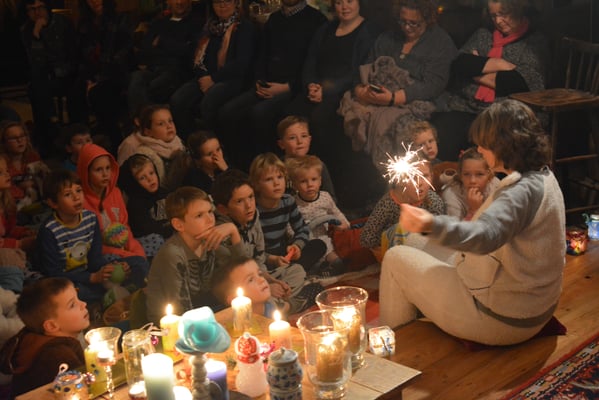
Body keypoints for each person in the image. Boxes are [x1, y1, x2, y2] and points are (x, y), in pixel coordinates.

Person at [380, 99, 565, 346]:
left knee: (395, 258)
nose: (479, 148)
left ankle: (391, 350)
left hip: (503, 318)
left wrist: (430, 225)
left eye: (484, 143)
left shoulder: (520, 193)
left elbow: (485, 235)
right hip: (534, 306)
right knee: (413, 241)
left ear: (503, 144)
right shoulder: (542, 175)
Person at [339, 0, 457, 171]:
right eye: (403, 21)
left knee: (390, 123)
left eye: (414, 23)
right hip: (378, 94)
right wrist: (361, 90)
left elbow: (433, 85)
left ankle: (393, 176)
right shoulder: (388, 37)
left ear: (426, 19)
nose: (407, 27)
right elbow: (366, 66)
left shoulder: (440, 42)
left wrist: (394, 98)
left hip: (416, 99)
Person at [432, 0, 549, 161]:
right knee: (442, 132)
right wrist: (500, 64)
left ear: (517, 10)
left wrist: (477, 70)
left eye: (503, 14)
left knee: (492, 138)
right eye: (494, 16)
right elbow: (460, 64)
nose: (498, 21)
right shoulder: (483, 34)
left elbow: (518, 82)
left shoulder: (534, 41)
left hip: (503, 111)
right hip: (467, 106)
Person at [216, 0, 327, 168]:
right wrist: (259, 81)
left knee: (259, 113)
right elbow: (262, 54)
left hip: (293, 87)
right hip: (266, 84)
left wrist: (287, 87)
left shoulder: (316, 20)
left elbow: (313, 64)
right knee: (228, 112)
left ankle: (268, 168)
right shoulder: (274, 19)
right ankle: (239, 167)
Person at [285, 0, 378, 162]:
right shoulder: (326, 28)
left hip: (344, 91)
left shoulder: (368, 32)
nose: (344, 7)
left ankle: (320, 168)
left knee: (318, 118)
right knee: (290, 113)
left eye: (349, 1)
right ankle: (295, 167)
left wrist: (326, 90)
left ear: (359, 3)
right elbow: (311, 60)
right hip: (316, 88)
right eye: (339, 3)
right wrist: (310, 84)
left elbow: (358, 72)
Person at [35, 169, 144, 304]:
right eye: (68, 194)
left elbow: (95, 259)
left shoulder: (90, 218)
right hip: (70, 280)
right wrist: (91, 278)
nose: (76, 197)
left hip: (90, 272)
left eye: (78, 191)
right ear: (53, 203)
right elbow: (53, 274)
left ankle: (119, 292)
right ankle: (112, 295)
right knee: (72, 293)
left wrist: (112, 268)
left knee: (139, 262)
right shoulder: (49, 230)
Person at [145, 186, 244, 324]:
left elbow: (243, 272)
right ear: (178, 225)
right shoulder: (172, 254)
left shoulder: (208, 242)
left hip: (205, 313)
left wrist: (234, 232)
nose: (210, 220)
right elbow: (180, 309)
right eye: (199, 215)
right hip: (171, 326)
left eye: (210, 212)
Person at [212, 169, 302, 311]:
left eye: (251, 197)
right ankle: (283, 306)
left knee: (297, 271)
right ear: (223, 209)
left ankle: (277, 301)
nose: (249, 205)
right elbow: (240, 270)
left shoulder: (253, 217)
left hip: (258, 277)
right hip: (240, 288)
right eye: (239, 201)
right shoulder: (219, 233)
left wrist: (270, 281)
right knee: (253, 298)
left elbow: (259, 259)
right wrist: (266, 287)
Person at [169, 0, 255, 138]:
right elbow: (197, 57)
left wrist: (213, 79)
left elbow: (241, 63)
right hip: (206, 77)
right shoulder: (209, 27)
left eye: (227, 1)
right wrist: (204, 76)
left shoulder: (244, 27)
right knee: (178, 99)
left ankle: (213, 144)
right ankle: (190, 141)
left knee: (209, 101)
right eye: (217, 2)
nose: (222, 5)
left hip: (231, 79)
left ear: (236, 3)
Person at [0, 277, 89, 398]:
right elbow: (81, 392)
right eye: (72, 305)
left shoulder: (34, 335)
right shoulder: (58, 357)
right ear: (52, 326)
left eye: (78, 298)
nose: (84, 304)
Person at [77, 143, 150, 286]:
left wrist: (136, 251)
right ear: (86, 172)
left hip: (123, 247)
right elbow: (92, 245)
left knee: (157, 242)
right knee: (134, 265)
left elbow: (124, 227)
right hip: (102, 254)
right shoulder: (82, 202)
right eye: (98, 170)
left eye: (108, 168)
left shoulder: (115, 193)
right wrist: (129, 255)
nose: (105, 174)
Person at [249, 153, 327, 280]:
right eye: (269, 179)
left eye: (280, 177)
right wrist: (272, 259)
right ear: (257, 185)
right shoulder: (253, 208)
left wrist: (297, 246)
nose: (276, 183)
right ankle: (288, 274)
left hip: (283, 252)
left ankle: (290, 272)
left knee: (319, 245)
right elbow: (251, 250)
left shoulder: (288, 201)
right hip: (264, 257)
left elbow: (302, 229)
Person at [69, 0, 136, 149]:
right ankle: (80, 143)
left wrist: (98, 80)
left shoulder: (120, 19)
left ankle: (115, 142)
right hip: (93, 73)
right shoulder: (84, 24)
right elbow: (81, 56)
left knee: (99, 94)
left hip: (117, 73)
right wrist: (88, 79)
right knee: (75, 92)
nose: (95, 1)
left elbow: (123, 55)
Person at [20, 0, 76, 155]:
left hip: (67, 71)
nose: (37, 13)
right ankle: (50, 132)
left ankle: (55, 129)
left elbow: (71, 52)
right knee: (36, 85)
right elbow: (35, 62)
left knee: (39, 85)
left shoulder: (62, 23)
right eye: (32, 9)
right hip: (44, 77)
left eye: (40, 8)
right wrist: (36, 36)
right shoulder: (27, 30)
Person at [360, 160, 444, 258]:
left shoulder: (434, 201)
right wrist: (390, 238)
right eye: (411, 177)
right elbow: (366, 239)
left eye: (425, 176)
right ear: (400, 181)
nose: (419, 183)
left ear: (432, 176)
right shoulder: (388, 203)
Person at [127, 0, 200, 113]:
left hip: (177, 71)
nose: (179, 2)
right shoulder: (159, 23)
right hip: (154, 68)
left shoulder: (195, 24)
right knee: (136, 78)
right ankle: (143, 121)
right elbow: (145, 49)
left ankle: (151, 119)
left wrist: (162, 42)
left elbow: (189, 52)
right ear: (168, 2)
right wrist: (174, 47)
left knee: (155, 86)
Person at [286, 155, 350, 276]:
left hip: (325, 239)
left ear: (320, 181)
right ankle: (318, 269)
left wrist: (344, 223)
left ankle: (333, 267)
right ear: (294, 185)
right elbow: (289, 225)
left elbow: (336, 213)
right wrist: (296, 237)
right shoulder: (293, 202)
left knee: (336, 260)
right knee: (310, 262)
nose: (310, 184)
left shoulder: (325, 197)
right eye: (303, 181)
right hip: (306, 243)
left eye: (314, 179)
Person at [117, 104, 186, 190]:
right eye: (161, 124)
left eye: (170, 121)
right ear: (148, 132)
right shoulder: (144, 154)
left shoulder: (178, 142)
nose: (169, 126)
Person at [118, 154, 172, 258]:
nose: (150, 179)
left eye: (151, 173)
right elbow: (146, 228)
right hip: (151, 239)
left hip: (170, 233)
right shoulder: (136, 204)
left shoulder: (165, 193)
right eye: (142, 178)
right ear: (134, 184)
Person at [276, 115, 336, 201]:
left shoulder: (318, 164)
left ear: (309, 139)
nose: (300, 141)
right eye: (292, 138)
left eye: (304, 136)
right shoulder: (277, 168)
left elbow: (330, 197)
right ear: (281, 144)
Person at [212, 255, 289, 317]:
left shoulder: (270, 308)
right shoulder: (235, 323)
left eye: (260, 274)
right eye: (251, 280)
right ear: (234, 298)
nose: (261, 280)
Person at [0, 120, 48, 211]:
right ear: (4, 143)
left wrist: (34, 183)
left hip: (38, 204)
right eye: (13, 138)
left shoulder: (33, 156)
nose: (19, 140)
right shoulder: (2, 162)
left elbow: (46, 181)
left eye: (22, 136)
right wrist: (20, 188)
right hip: (12, 207)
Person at [442, 146, 500, 220]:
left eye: (479, 174)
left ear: (489, 174)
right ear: (460, 175)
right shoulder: (451, 194)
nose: (473, 181)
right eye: (466, 174)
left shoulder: (496, 186)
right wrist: (474, 210)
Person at [0, 154, 36, 252]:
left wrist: (24, 232)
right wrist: (20, 244)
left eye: (7, 170)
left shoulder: (6, 202)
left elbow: (9, 231)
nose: (7, 175)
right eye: (0, 173)